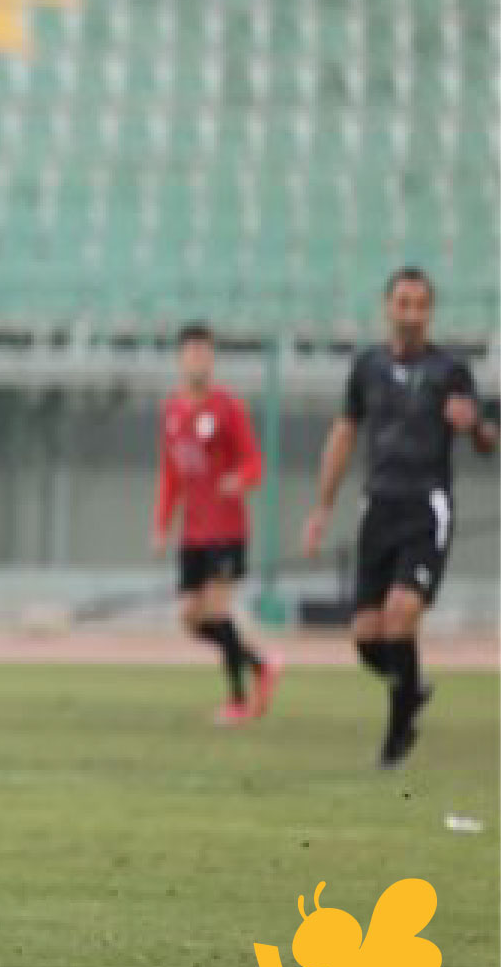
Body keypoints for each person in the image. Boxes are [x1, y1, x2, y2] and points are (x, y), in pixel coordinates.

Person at [302, 267, 497, 768]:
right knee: (368, 638)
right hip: (379, 507)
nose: (411, 313)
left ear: (430, 312)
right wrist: (322, 506)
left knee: (401, 613)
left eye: (420, 304)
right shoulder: (366, 367)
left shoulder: (451, 370)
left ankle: (395, 740)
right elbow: (344, 434)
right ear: (388, 307)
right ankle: (410, 688)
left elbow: (484, 439)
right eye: (403, 302)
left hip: (425, 507)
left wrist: (474, 426)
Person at [151, 321, 278, 724]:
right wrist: (161, 524)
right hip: (193, 532)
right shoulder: (171, 410)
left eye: (204, 352)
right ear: (180, 359)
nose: (197, 360)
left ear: (212, 359)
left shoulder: (228, 407)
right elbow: (170, 474)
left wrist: (240, 479)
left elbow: (255, 462)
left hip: (227, 530)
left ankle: (238, 702)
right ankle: (261, 664)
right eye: (190, 352)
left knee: (218, 611)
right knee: (191, 619)